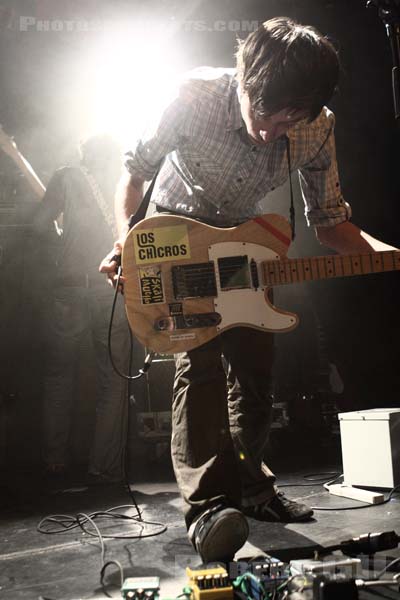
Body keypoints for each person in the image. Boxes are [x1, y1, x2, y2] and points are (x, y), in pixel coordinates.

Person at [100, 18, 397, 561]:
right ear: (243, 81)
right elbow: (133, 171)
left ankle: (253, 490)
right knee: (201, 367)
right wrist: (126, 246)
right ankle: (208, 510)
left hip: (241, 247)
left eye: (289, 120)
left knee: (258, 372)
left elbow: (330, 223)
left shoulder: (318, 127)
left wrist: (386, 254)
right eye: (264, 114)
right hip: (175, 236)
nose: (271, 131)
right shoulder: (193, 96)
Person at [34, 134, 130, 483]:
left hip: (69, 287)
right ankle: (103, 467)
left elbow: (37, 225)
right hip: (111, 287)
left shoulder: (67, 175)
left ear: (83, 153)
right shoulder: (127, 183)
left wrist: (64, 246)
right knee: (114, 379)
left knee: (59, 376)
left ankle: (55, 462)